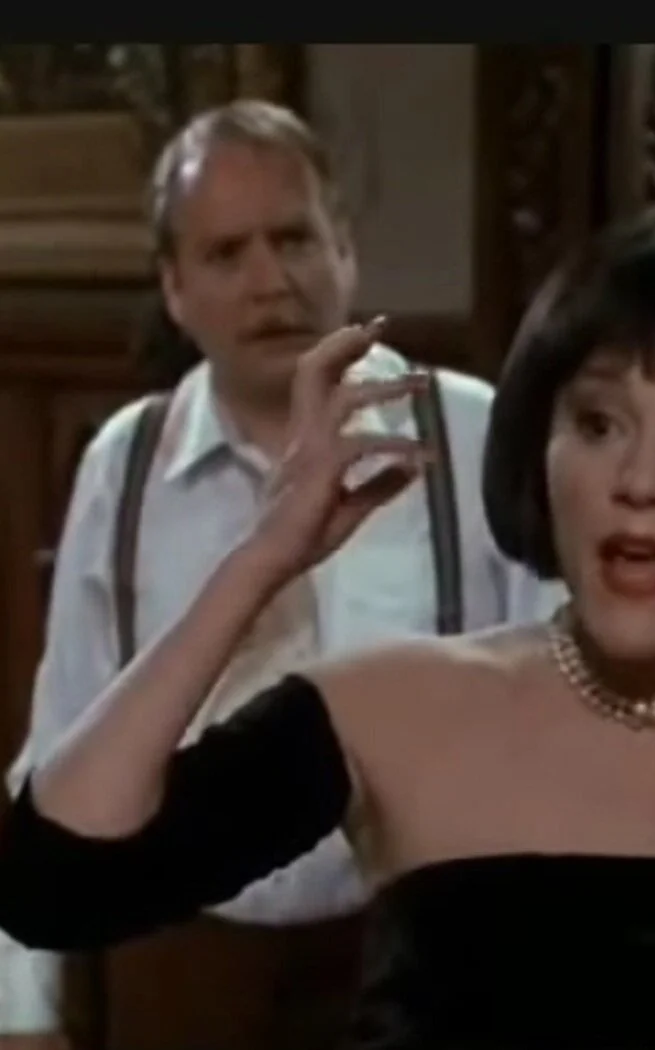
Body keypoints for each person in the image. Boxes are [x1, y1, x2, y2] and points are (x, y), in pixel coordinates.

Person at [1, 201, 655, 1050]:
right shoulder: (390, 708)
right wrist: (259, 559)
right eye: (597, 423)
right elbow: (55, 884)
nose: (640, 480)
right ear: (539, 448)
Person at [0, 99, 561, 1049]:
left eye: (293, 239)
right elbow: (64, 735)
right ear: (175, 288)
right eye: (227, 254)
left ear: (345, 248)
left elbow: (559, 716)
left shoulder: (473, 434)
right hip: (182, 958)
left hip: (421, 958)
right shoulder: (124, 466)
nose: (271, 281)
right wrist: (23, 1013)